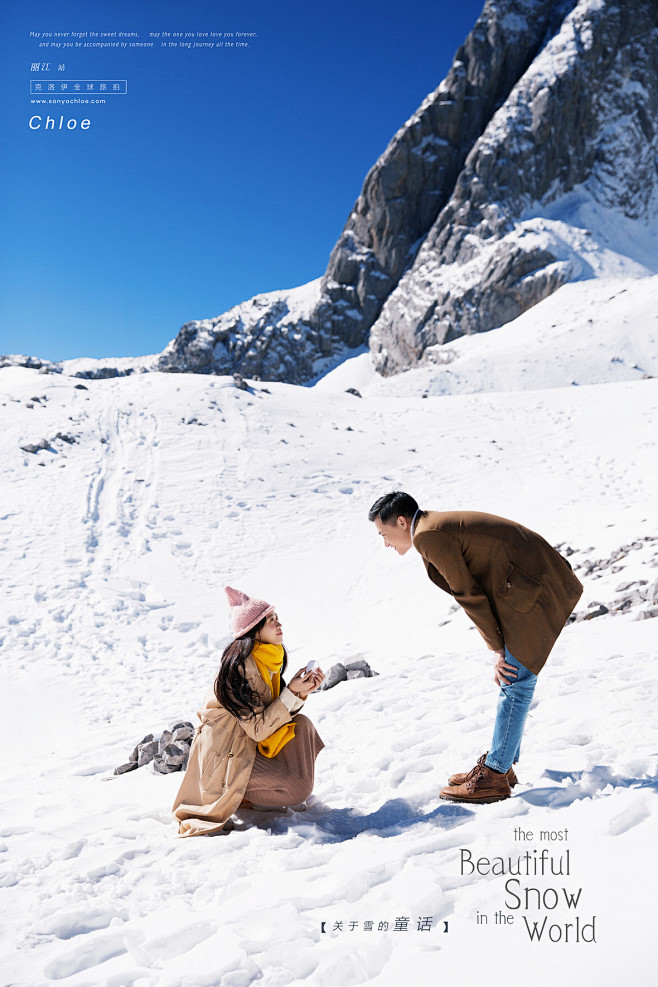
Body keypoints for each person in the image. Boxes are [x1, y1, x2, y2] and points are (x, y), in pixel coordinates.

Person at [368, 491, 583, 804]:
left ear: (401, 521)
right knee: (514, 677)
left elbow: (467, 593)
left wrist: (497, 648)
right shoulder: (431, 527)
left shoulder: (429, 535)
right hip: (526, 584)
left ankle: (494, 775)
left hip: (531, 587)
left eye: (384, 534)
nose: (386, 543)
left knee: (514, 678)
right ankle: (502, 762)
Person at [173, 586, 325, 836]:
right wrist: (291, 693)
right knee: (298, 788)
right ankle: (237, 793)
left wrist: (299, 691)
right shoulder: (238, 670)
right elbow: (257, 729)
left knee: (302, 726)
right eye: (271, 620)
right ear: (253, 631)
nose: (279, 624)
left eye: (277, 618)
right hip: (224, 756)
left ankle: (253, 794)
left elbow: (273, 716)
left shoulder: (266, 660)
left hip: (243, 747)